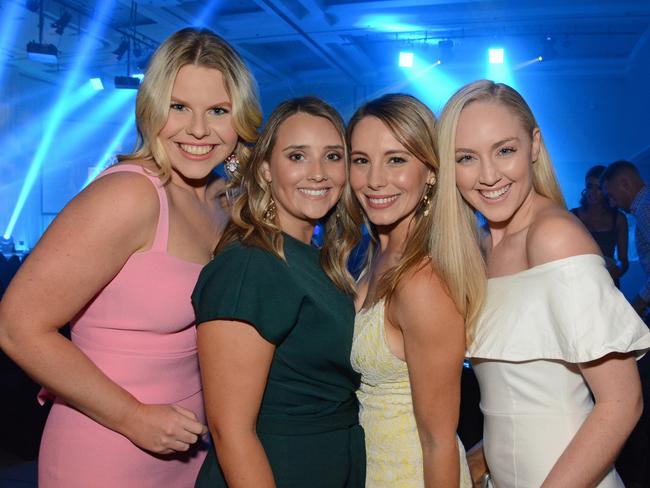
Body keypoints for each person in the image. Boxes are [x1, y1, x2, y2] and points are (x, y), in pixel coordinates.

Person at [0, 27, 261, 488]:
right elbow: (17, 326)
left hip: (190, 449)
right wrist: (132, 416)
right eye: (179, 107)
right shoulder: (130, 194)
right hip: (108, 447)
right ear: (152, 109)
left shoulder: (224, 201)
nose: (198, 129)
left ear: (239, 118)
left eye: (217, 111)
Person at [437, 79, 650, 487]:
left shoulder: (554, 238)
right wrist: (480, 460)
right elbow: (520, 403)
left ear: (534, 146)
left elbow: (623, 402)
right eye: (466, 157)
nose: (488, 175)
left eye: (505, 150)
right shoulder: (481, 249)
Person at [191, 97, 365, 487]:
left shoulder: (314, 260)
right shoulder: (251, 265)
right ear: (267, 170)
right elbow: (230, 431)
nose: (318, 173)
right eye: (297, 156)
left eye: (333, 156)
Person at [347, 93, 478, 487]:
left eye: (396, 160)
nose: (374, 180)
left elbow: (438, 441)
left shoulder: (422, 281)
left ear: (431, 172)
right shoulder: (375, 252)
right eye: (361, 160)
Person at [601, 161, 650, 316]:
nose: (612, 204)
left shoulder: (645, 208)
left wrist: (639, 303)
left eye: (611, 196)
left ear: (625, 184)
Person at [571, 165, 628, 286]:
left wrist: (617, 269)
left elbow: (623, 260)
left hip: (608, 282)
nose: (593, 192)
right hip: (579, 282)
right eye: (589, 186)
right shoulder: (572, 216)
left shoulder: (618, 219)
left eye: (599, 188)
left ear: (607, 189)